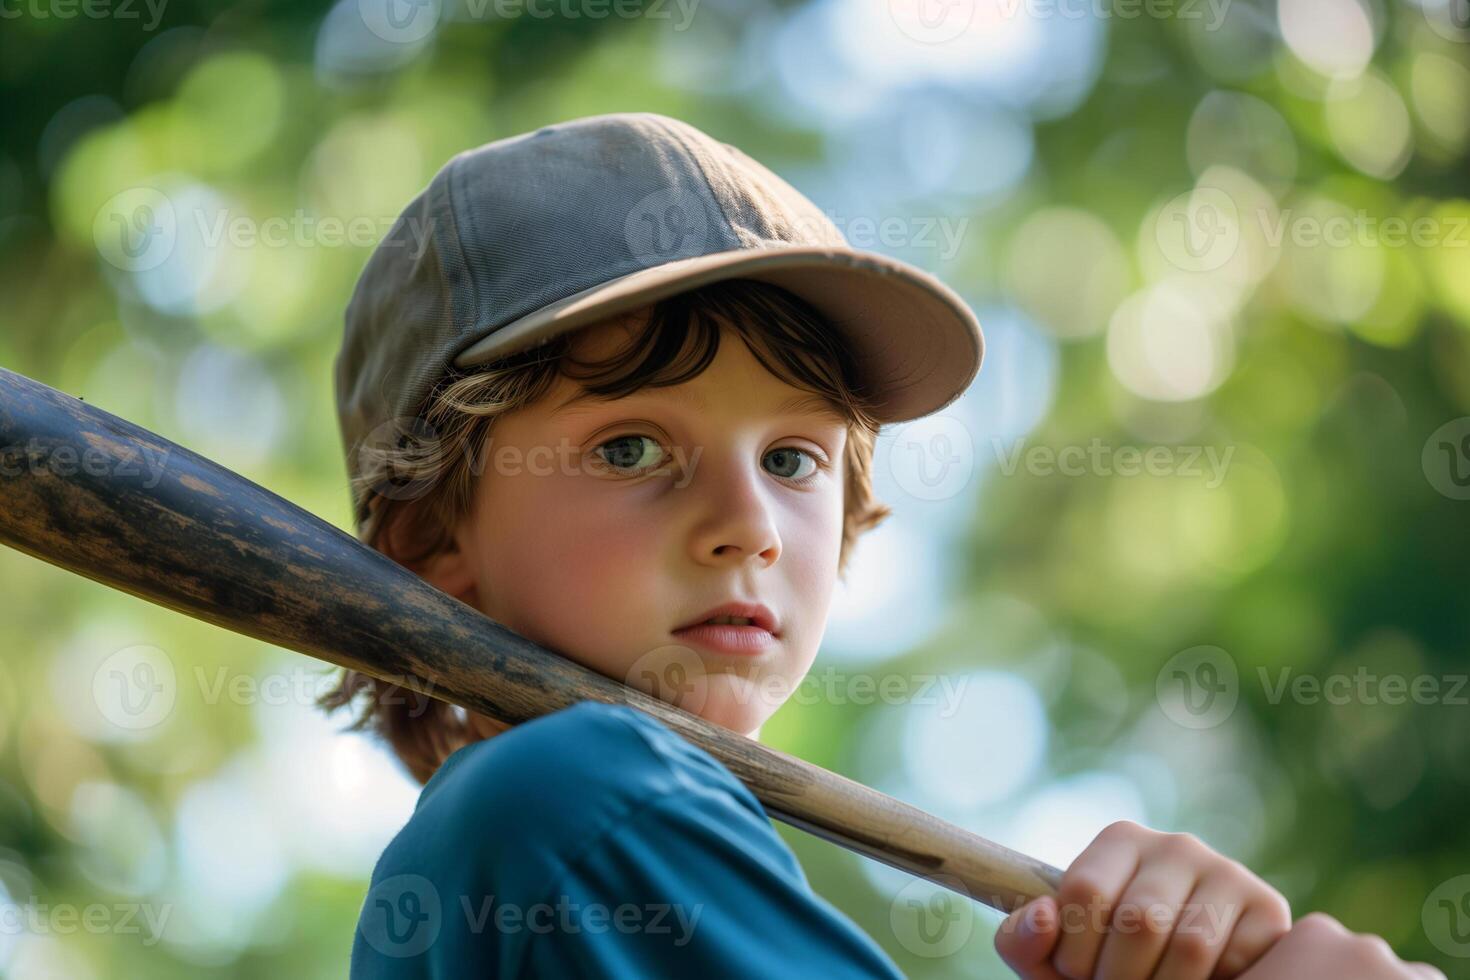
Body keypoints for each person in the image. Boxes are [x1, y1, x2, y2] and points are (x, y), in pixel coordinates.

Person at [320, 112, 1444, 979]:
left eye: (795, 459)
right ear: (432, 538)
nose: (748, 526)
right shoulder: (571, 798)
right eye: (629, 447)